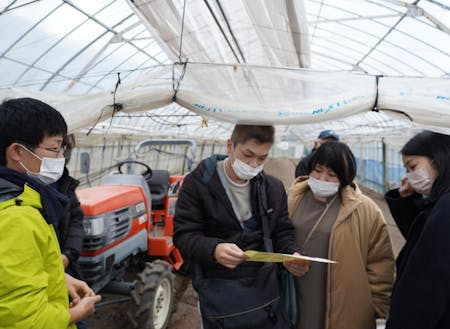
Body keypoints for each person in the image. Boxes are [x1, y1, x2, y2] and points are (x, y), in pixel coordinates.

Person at [173, 124, 309, 329]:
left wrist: (292, 253)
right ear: (230, 146)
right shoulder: (198, 184)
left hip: (264, 291)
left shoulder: (272, 188)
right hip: (218, 290)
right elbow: (184, 235)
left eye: (262, 158)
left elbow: (282, 231)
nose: (253, 164)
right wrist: (214, 249)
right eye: (248, 155)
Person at [0, 97, 101, 328]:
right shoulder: (17, 217)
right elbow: (27, 322)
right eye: (55, 149)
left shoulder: (24, 198)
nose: (60, 159)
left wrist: (58, 276)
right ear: (16, 151)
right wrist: (78, 313)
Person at [286, 141, 395, 329]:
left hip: (345, 305)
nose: (323, 179)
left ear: (344, 178)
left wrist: (376, 309)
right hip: (295, 292)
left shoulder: (365, 210)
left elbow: (381, 264)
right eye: (318, 170)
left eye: (332, 175)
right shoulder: (292, 198)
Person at [384, 131, 450, 329]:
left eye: (413, 167)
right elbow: (422, 240)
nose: (409, 176)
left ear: (438, 158)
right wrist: (407, 202)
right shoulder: (441, 203)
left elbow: (426, 284)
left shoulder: (447, 207)